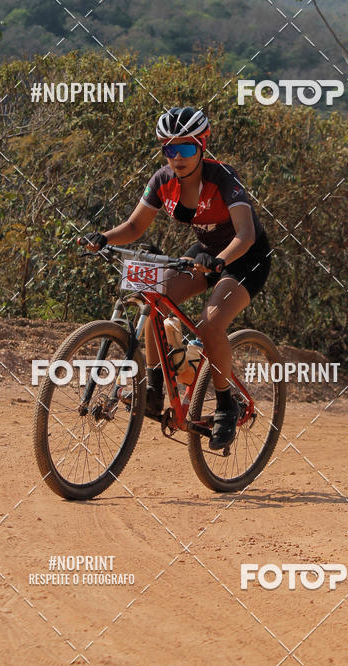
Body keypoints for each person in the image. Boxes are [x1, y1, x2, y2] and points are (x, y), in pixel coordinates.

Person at [83, 106, 272, 450]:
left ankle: (227, 405)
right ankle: (154, 386)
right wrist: (104, 238)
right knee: (151, 295)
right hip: (205, 253)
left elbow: (244, 235)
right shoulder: (162, 181)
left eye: (185, 148)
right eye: (169, 149)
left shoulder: (224, 178)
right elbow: (135, 226)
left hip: (246, 259)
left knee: (211, 323)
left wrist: (220, 261)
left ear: (202, 146)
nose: (177, 157)